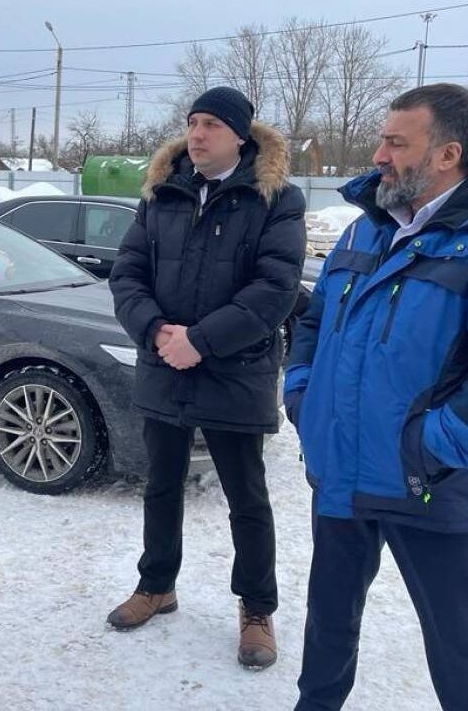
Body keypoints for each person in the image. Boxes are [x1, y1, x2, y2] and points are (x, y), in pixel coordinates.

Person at [284, 83, 468, 710]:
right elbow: (313, 322)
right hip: (344, 471)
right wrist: (303, 395)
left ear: (447, 154)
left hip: (435, 486)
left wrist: (427, 449)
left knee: (457, 641)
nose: (378, 156)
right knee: (328, 623)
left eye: (396, 142)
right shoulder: (365, 231)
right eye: (382, 141)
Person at [108, 86, 306, 669]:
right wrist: (156, 332)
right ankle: (156, 585)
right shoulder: (162, 193)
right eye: (193, 122)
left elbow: (275, 289)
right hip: (164, 365)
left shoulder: (275, 198)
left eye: (212, 124)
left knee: (247, 499)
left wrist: (201, 340)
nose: (197, 134)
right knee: (161, 486)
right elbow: (127, 273)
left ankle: (257, 609)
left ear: (240, 136)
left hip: (235, 370)